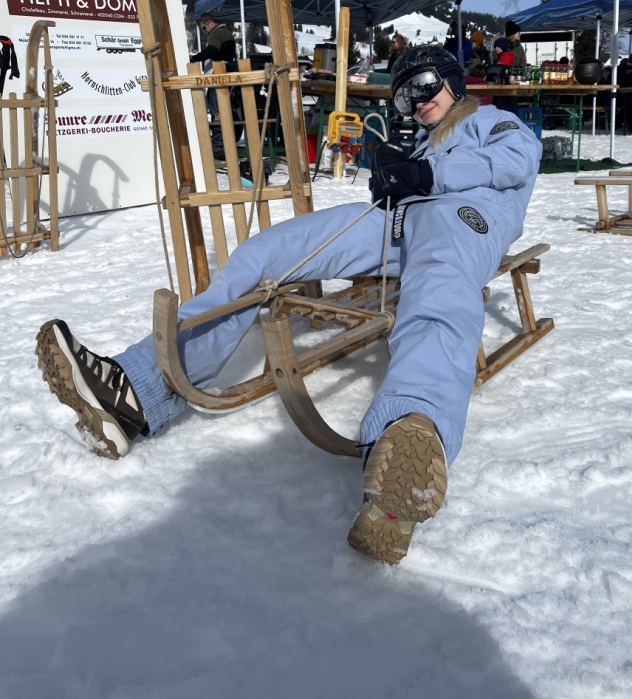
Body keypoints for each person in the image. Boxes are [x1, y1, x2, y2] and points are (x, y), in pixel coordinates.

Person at [35, 45, 541, 566]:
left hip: (464, 217)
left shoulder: (491, 121)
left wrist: (430, 177)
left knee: (438, 288)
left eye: (426, 84)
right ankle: (137, 391)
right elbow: (408, 178)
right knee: (268, 252)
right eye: (403, 95)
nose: (417, 100)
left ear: (454, 81)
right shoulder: (419, 141)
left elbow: (516, 161)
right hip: (399, 219)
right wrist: (397, 173)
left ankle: (411, 434)